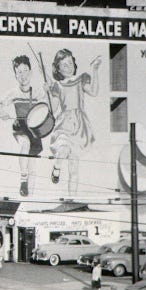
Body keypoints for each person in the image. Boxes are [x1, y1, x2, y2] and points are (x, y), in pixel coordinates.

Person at [44, 49, 100, 196]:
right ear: (58, 69)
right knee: (63, 149)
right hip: (64, 123)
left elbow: (94, 92)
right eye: (64, 65)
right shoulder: (58, 86)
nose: (68, 67)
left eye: (70, 63)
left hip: (80, 126)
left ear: (74, 63)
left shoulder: (81, 79)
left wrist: (95, 70)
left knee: (74, 167)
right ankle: (56, 168)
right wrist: (48, 93)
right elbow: (53, 108)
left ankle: (71, 199)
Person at [0, 55, 50, 197]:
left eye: (25, 71)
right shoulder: (14, 92)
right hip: (20, 127)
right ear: (15, 75)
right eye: (19, 72)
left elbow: (47, 105)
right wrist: (2, 112)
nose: (23, 75)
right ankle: (23, 178)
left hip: (34, 130)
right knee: (24, 144)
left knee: (33, 167)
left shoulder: (37, 91)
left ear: (31, 72)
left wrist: (47, 89)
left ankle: (29, 196)